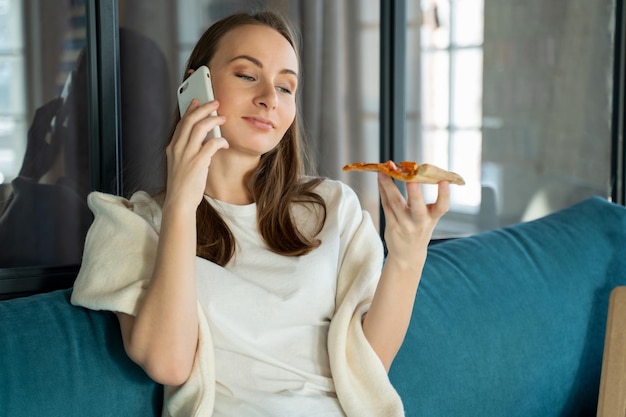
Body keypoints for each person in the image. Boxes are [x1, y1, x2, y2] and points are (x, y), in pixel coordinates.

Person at [71, 10, 450, 417]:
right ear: (194, 86)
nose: (270, 97)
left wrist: (409, 256)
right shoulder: (130, 224)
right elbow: (169, 363)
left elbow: (369, 367)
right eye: (247, 75)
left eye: (286, 87)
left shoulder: (333, 207)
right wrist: (183, 202)